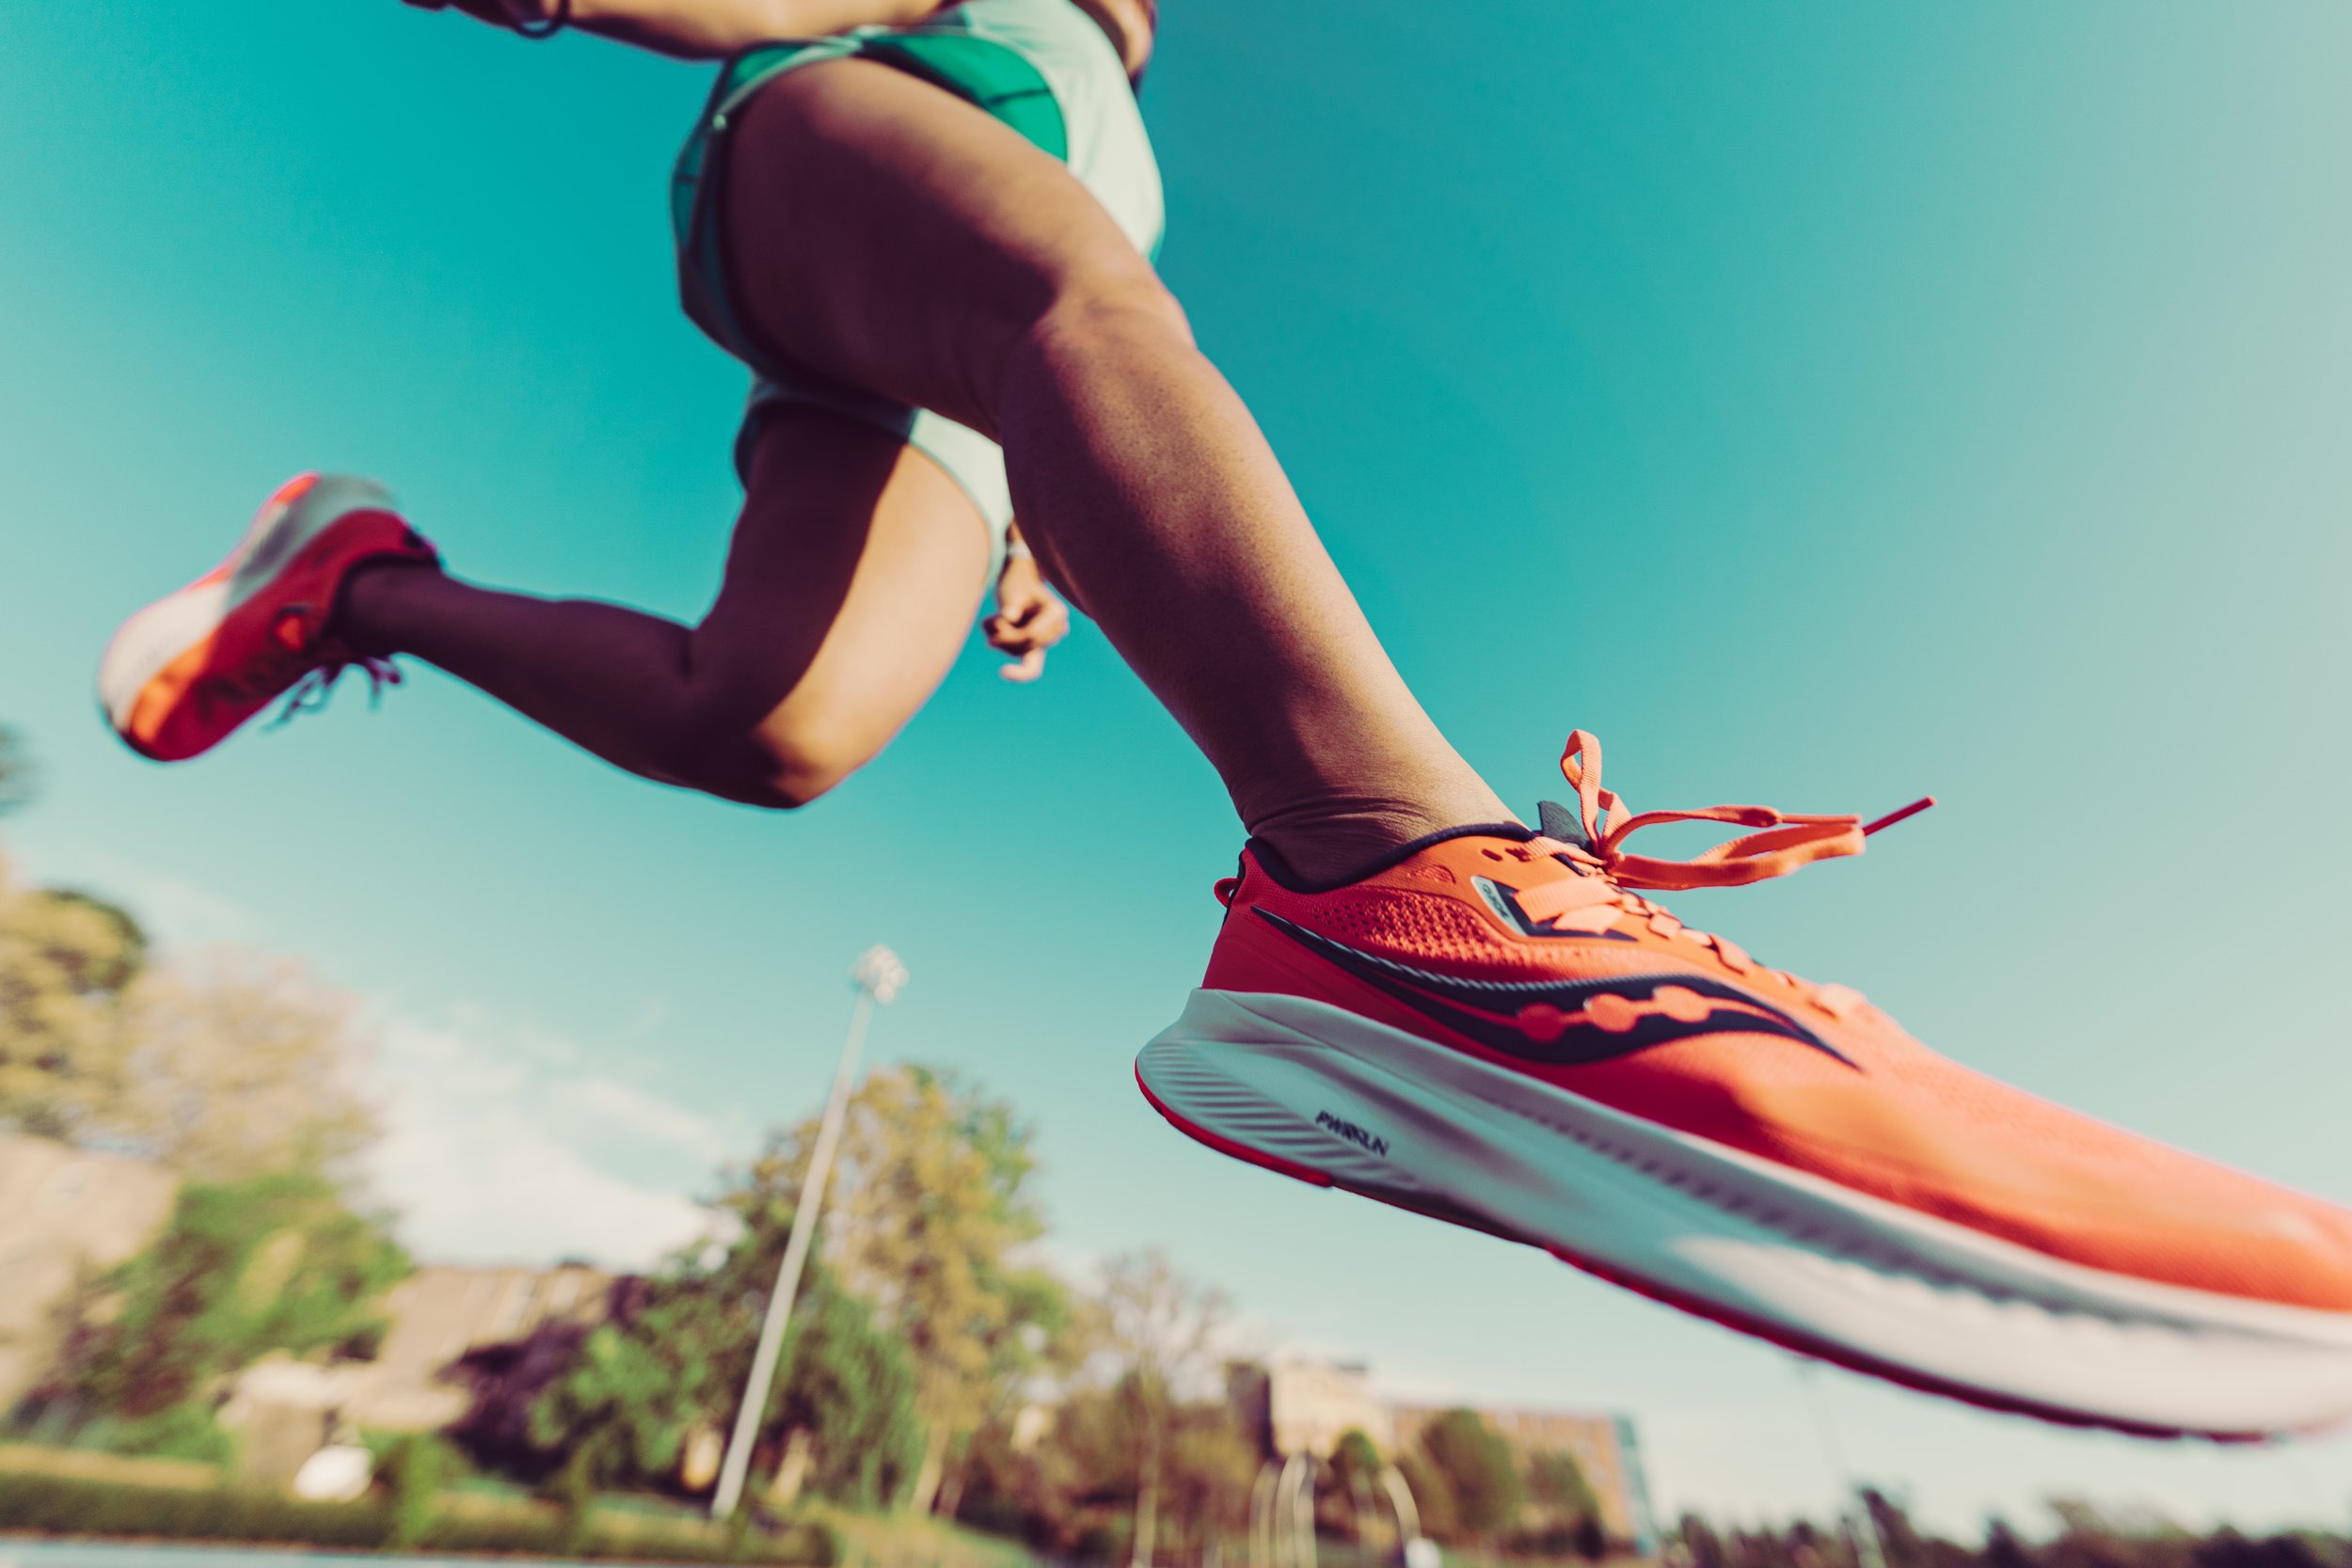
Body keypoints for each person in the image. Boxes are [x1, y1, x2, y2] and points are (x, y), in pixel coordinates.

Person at [96, 0, 2352, 1436]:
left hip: (970, 335)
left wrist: (1037, 512)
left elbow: (1040, 333)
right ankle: (1406, 903)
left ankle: (354, 576)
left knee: (767, 718)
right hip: (857, 113)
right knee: (1075, 289)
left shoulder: (1116, 95)